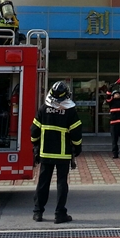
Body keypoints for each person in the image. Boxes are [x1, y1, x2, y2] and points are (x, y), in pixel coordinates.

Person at [31, 81, 82, 224]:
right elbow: (76, 133)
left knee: (43, 183)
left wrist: (35, 145)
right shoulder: (70, 110)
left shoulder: (43, 109)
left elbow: (34, 131)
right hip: (63, 154)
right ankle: (60, 214)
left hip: (45, 153)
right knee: (62, 183)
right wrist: (77, 148)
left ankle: (38, 212)